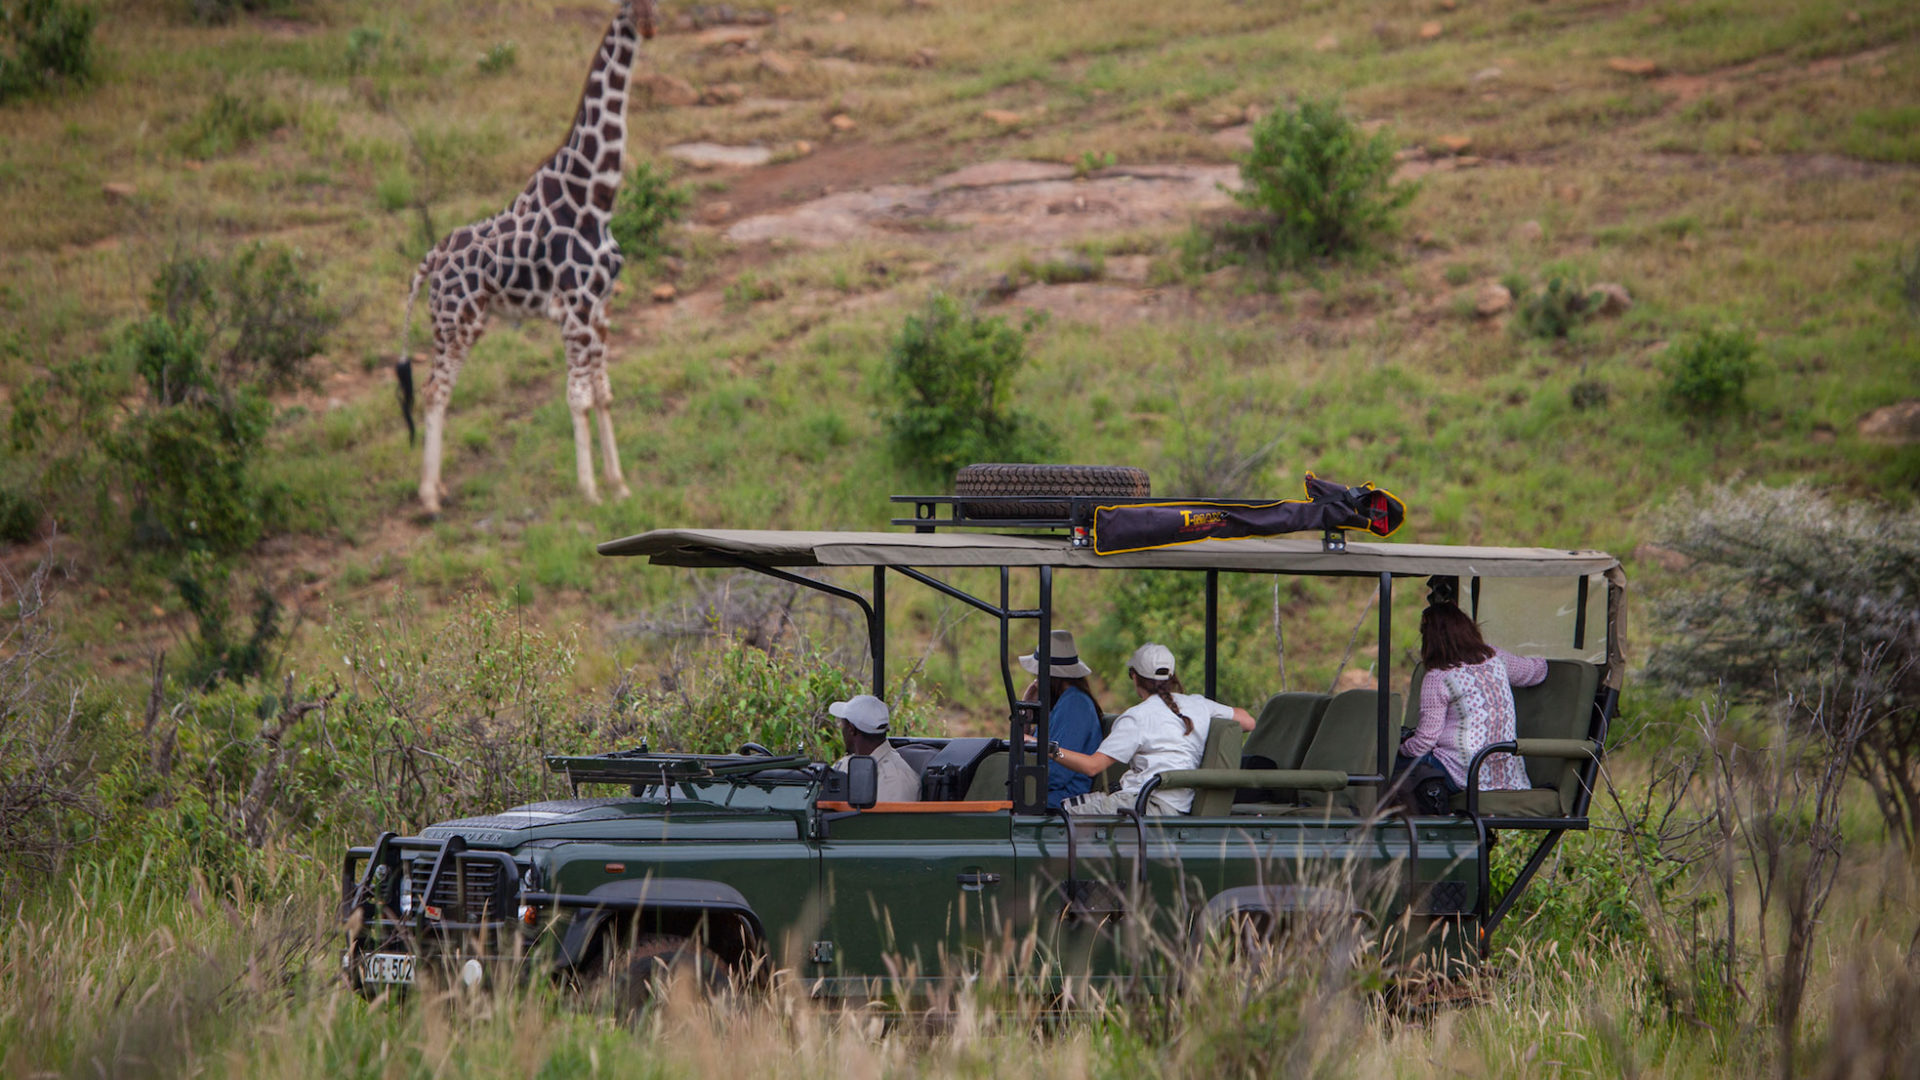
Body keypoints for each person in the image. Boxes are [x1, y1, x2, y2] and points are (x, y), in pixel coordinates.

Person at [1043, 643, 1255, 816]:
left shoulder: (1137, 717)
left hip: (1147, 803)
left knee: (1058, 811)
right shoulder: (1199, 705)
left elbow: (1092, 767)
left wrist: (1051, 750)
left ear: (1134, 677)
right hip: (1177, 805)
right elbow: (1248, 722)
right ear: (1172, 677)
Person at [1395, 602, 1546, 797]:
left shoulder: (1438, 677)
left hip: (1461, 773)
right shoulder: (1496, 658)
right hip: (1508, 777)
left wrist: (1401, 748)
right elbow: (1537, 672)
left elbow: (1425, 741)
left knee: (1385, 764)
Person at [1018, 629, 1106, 809]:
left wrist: (1017, 782)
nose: (1036, 681)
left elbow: (1058, 774)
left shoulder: (1075, 704)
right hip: (1048, 793)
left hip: (1061, 797)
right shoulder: (1061, 704)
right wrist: (1026, 709)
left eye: (1038, 675)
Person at [828, 694, 920, 803]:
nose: (842, 731)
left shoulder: (896, 780)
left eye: (842, 725)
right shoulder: (847, 762)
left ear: (851, 729)